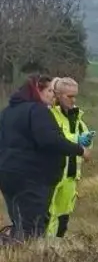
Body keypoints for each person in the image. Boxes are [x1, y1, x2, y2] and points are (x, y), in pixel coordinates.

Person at [0, 74, 89, 242]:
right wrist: (80, 150)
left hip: (8, 174)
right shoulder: (37, 110)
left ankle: (13, 257)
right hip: (31, 178)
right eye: (49, 90)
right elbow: (50, 140)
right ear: (37, 90)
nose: (52, 95)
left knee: (20, 223)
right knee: (32, 229)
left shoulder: (8, 112)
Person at [46, 77, 93, 238]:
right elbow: (53, 141)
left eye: (75, 96)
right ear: (58, 95)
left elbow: (86, 149)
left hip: (71, 177)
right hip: (52, 175)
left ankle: (57, 253)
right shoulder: (49, 116)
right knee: (47, 215)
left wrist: (87, 141)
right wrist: (77, 143)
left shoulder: (78, 119)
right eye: (69, 96)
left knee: (63, 216)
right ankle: (42, 252)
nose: (73, 100)